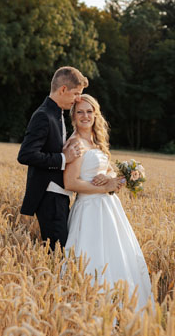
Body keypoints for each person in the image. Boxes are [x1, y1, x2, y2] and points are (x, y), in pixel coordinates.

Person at [63, 95, 153, 311]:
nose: (85, 116)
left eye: (89, 111)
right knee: (92, 260)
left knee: (117, 257)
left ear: (95, 114)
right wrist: (104, 187)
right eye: (80, 112)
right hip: (88, 210)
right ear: (73, 117)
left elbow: (109, 172)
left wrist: (114, 179)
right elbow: (71, 182)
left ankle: (123, 309)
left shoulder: (96, 141)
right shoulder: (75, 143)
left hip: (109, 209)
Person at [18, 66, 93, 250]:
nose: (78, 99)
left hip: (58, 196)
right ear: (63, 90)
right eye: (76, 93)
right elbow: (26, 155)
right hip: (49, 196)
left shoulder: (56, 113)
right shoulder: (44, 116)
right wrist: (62, 158)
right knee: (58, 254)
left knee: (62, 251)